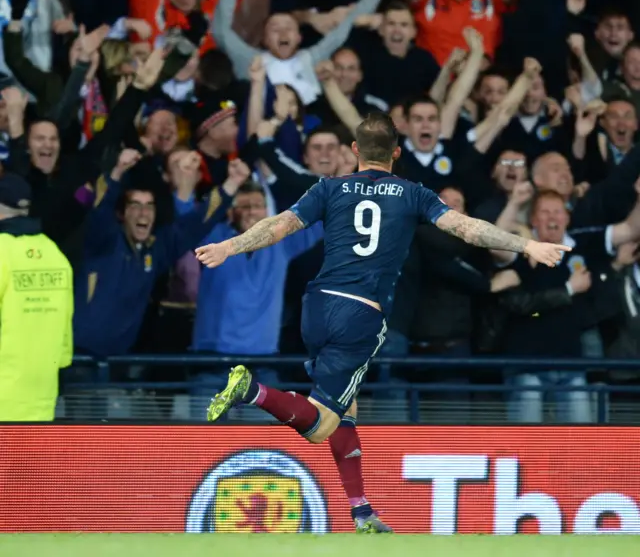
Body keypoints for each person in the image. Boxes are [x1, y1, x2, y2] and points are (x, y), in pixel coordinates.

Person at [195, 111, 569, 533]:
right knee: (321, 424)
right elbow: (467, 228)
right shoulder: (412, 193)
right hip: (360, 314)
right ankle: (252, 389)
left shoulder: (329, 188)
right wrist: (527, 245)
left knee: (346, 410)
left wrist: (230, 245)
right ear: (396, 152)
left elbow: (279, 225)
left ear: (354, 151)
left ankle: (361, 511)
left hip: (316, 306)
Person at [0, 171, 73, 421]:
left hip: (3, 395)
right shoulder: (55, 253)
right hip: (42, 395)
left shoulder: (2, 252)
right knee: (29, 461)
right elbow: (65, 337)